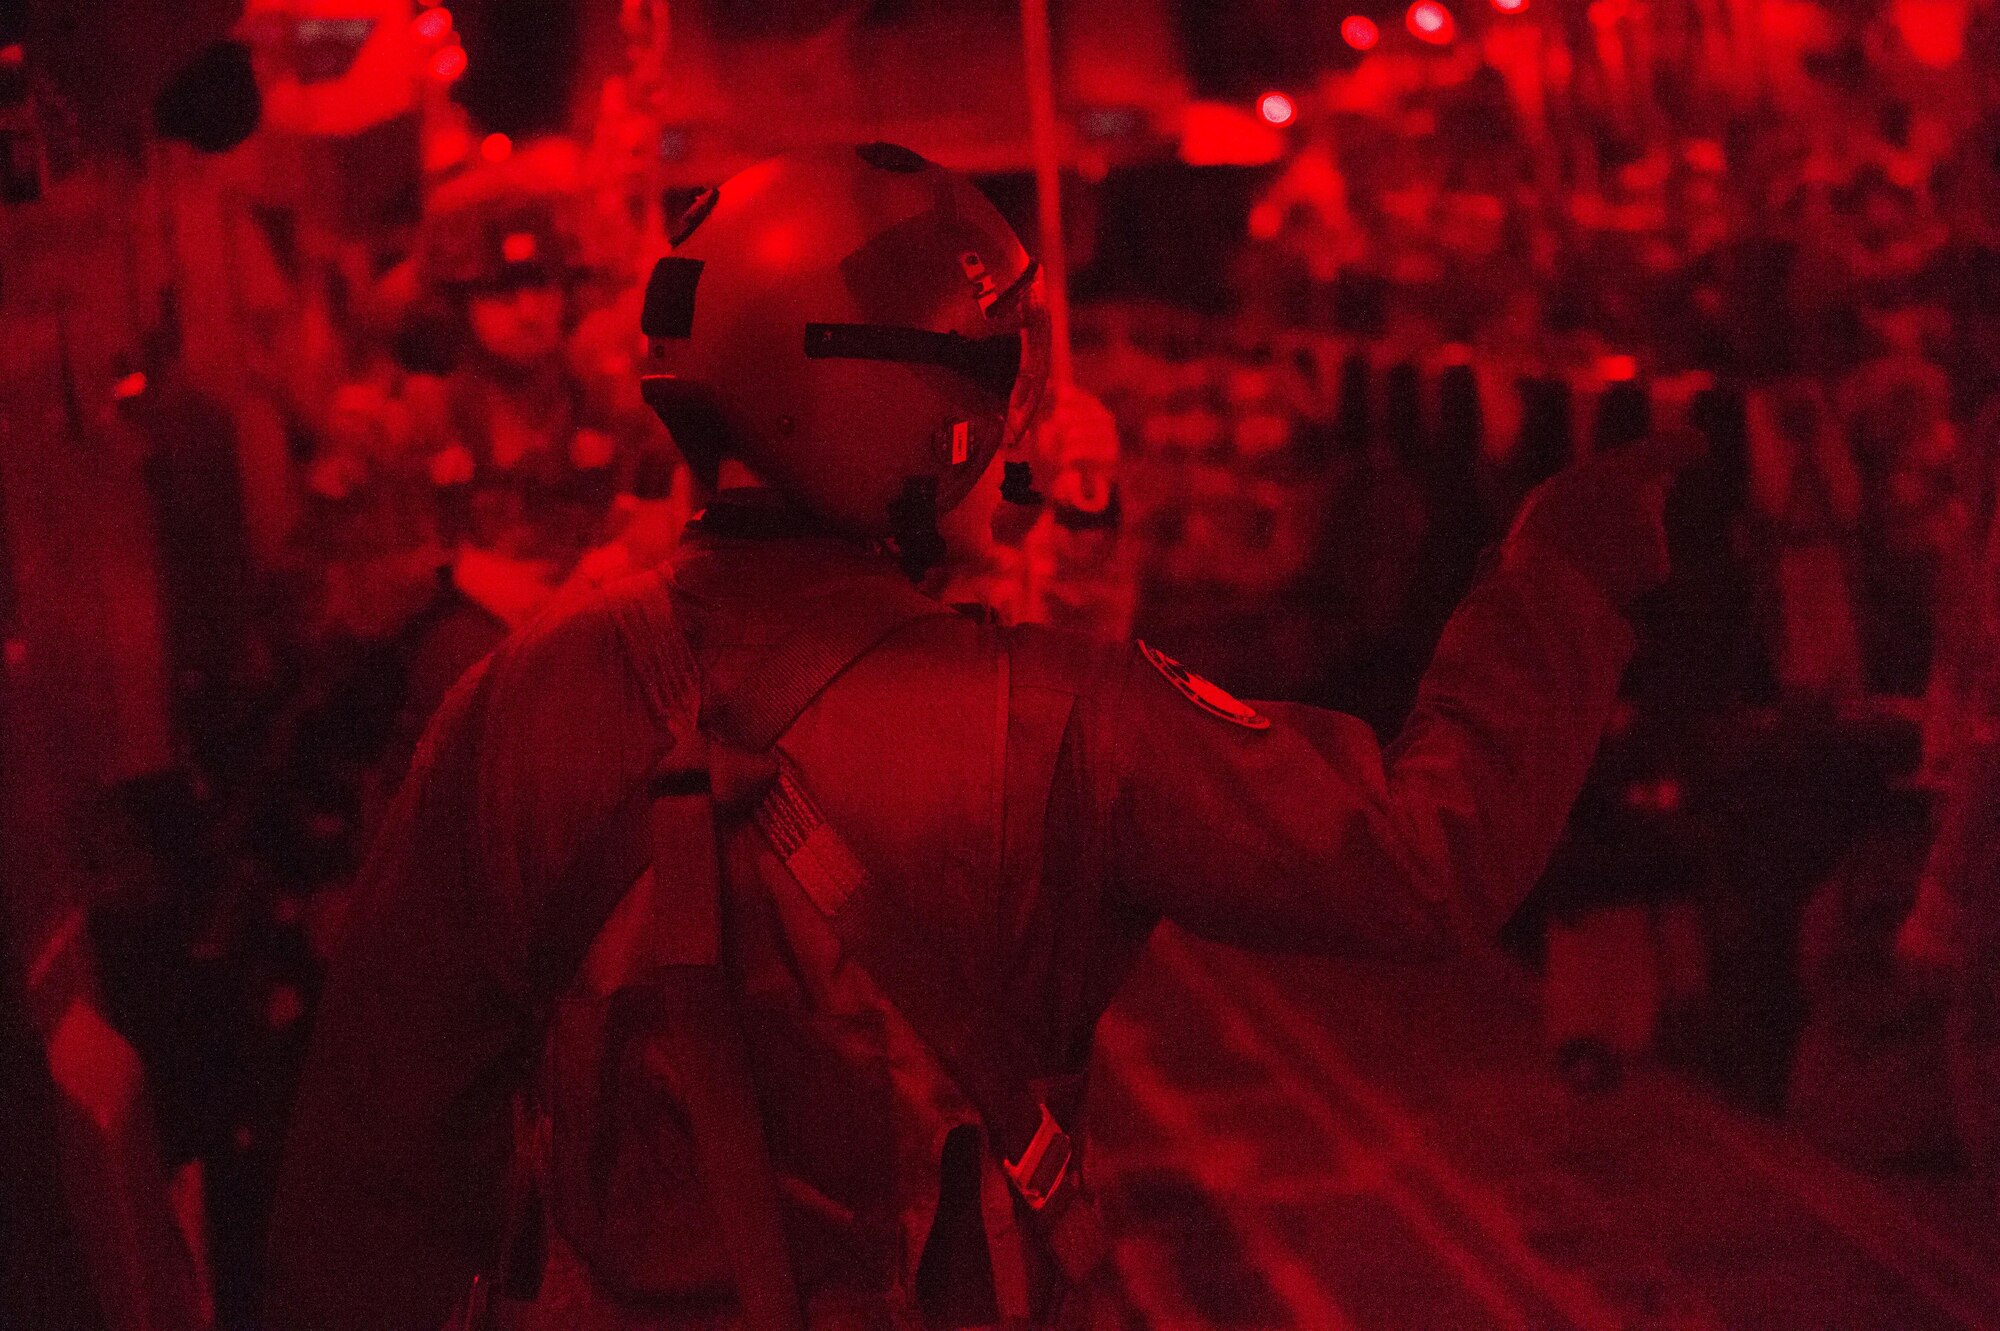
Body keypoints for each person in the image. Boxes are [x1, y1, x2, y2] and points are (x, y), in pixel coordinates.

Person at [266, 143, 1698, 1331]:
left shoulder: (517, 698)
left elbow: (371, 1165)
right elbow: (1422, 861)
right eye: (984, 386)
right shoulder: (1057, 713)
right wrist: (1559, 578)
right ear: (908, 419)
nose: (1005, 429)